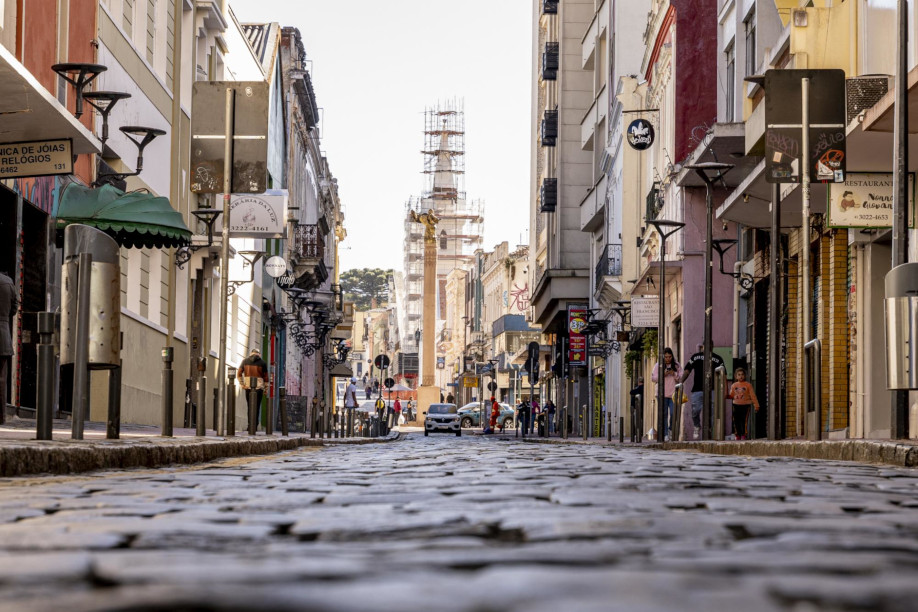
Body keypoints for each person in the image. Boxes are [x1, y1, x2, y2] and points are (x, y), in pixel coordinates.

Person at [680, 344, 726, 440]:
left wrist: (724, 390)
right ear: (703, 346)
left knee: (714, 412)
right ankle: (697, 426)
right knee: (695, 411)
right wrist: (681, 382)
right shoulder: (696, 357)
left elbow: (723, 375)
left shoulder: (717, 358)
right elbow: (687, 370)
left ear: (712, 346)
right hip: (698, 389)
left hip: (713, 389)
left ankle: (711, 431)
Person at [651, 347, 682, 441]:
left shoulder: (676, 365)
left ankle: (670, 429)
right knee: (663, 414)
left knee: (673, 413)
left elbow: (681, 377)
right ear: (663, 357)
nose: (668, 359)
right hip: (661, 394)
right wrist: (663, 374)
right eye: (666, 357)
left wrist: (674, 374)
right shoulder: (658, 365)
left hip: (673, 393)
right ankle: (665, 434)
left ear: (672, 356)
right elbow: (653, 378)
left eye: (669, 357)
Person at [0, 270, 17, 423]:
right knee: (1, 379)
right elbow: (14, 309)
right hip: (3, 336)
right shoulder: (8, 282)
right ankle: (1, 416)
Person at [237, 348, 269, 430]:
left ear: (251, 353)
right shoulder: (263, 363)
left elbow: (239, 373)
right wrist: (266, 389)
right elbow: (266, 377)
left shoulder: (245, 361)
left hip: (248, 387)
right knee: (257, 407)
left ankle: (250, 425)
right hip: (259, 388)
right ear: (259, 354)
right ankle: (255, 425)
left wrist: (242, 384)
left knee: (250, 406)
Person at [728, 367, 759, 440]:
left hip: (745, 405)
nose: (741, 376)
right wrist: (725, 395)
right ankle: (737, 434)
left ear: (745, 376)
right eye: (739, 375)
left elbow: (753, 396)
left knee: (744, 420)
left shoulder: (748, 385)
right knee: (736, 420)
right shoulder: (734, 385)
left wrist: (756, 405)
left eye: (742, 374)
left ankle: (743, 434)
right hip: (736, 405)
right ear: (736, 376)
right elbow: (731, 395)